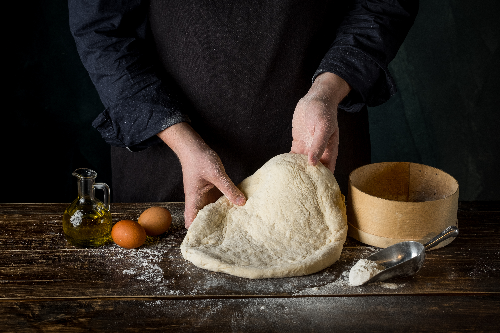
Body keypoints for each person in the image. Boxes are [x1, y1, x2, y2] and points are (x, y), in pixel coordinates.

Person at [69, 0, 418, 228]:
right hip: (170, 159)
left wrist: (328, 89)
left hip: (315, 139)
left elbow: (383, 4)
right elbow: (102, 28)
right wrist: (179, 138)